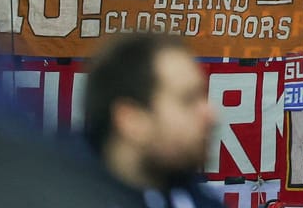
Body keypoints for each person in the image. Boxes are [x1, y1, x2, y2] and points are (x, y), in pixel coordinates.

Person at [82, 33, 218, 205]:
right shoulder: (62, 196)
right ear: (131, 120)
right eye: (188, 100)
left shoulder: (197, 199)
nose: (210, 114)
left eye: (203, 97)